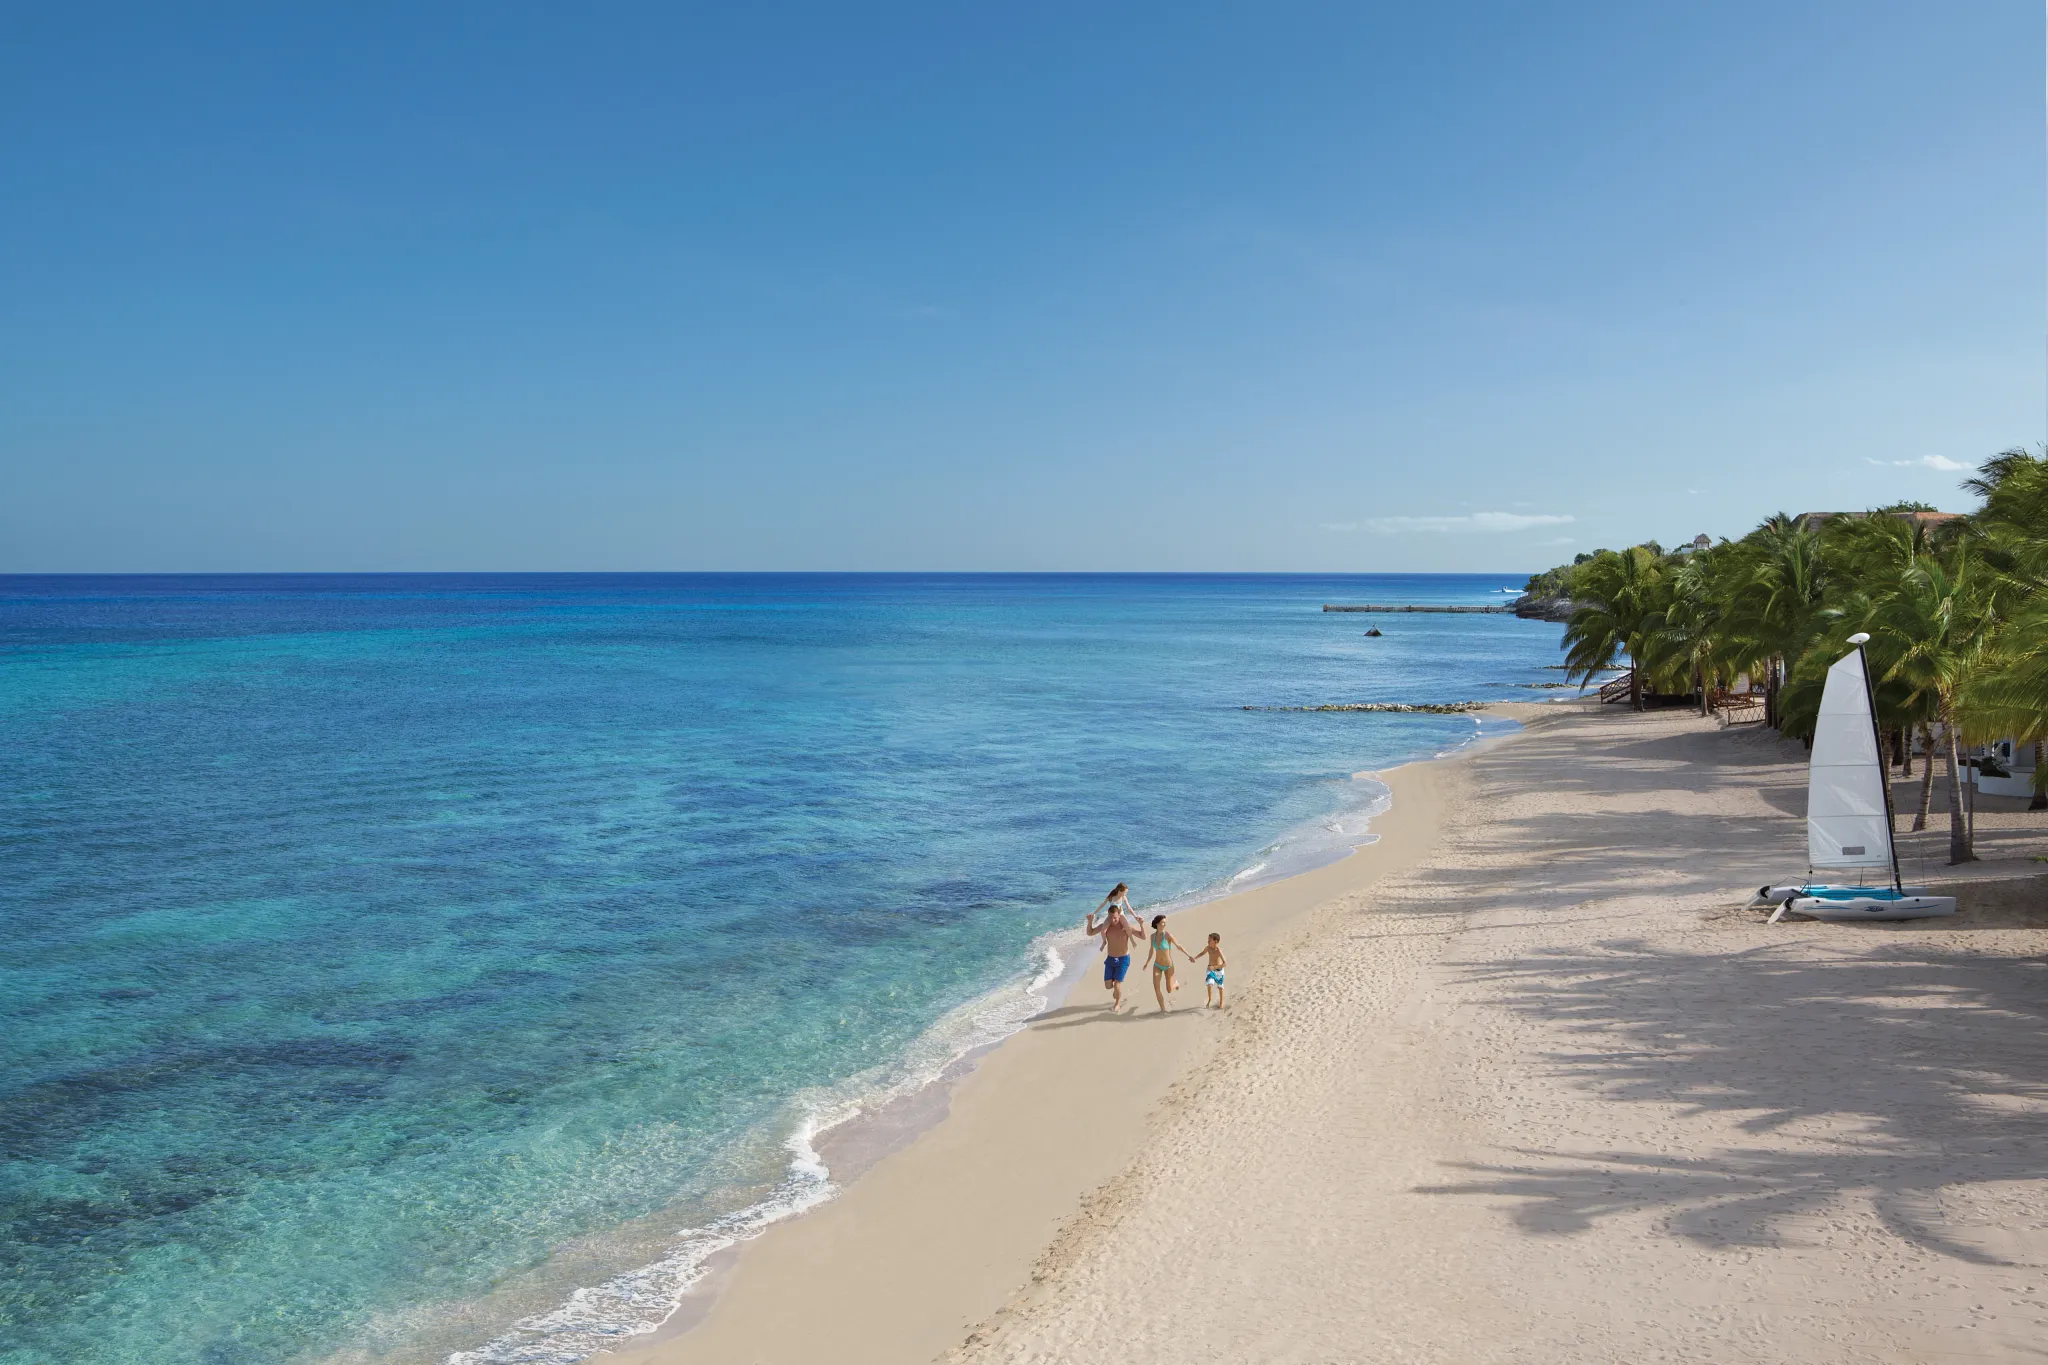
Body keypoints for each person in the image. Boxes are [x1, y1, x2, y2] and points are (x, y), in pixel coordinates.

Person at [1085, 883, 1141, 1012]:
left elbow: (1129, 908)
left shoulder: (1124, 899)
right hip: (1111, 917)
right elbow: (1102, 905)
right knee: (1103, 930)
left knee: (1127, 928)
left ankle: (1132, 941)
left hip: (1120, 917)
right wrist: (1093, 915)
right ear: (1120, 890)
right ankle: (1104, 942)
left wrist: (1135, 916)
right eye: (1125, 892)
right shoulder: (1111, 897)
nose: (1126, 894)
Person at [1146, 914, 1188, 1013]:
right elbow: (1151, 951)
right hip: (1157, 965)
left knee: (1169, 990)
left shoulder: (1167, 935)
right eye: (1162, 923)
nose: (1164, 924)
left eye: (1165, 923)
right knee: (1156, 987)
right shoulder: (1152, 936)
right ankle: (1163, 1009)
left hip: (1168, 966)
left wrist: (1188, 955)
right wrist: (1147, 962)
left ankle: (1175, 984)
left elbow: (1178, 946)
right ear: (1157, 924)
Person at [1192, 932, 1227, 1008]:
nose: (1208, 942)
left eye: (1209, 940)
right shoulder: (1208, 948)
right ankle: (1210, 999)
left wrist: (1214, 968)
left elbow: (1225, 964)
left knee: (1220, 987)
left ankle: (1221, 1004)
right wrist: (1195, 958)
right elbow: (1202, 953)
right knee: (1209, 984)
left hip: (1219, 970)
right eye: (1208, 940)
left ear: (1216, 942)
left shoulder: (1218, 951)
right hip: (1210, 969)